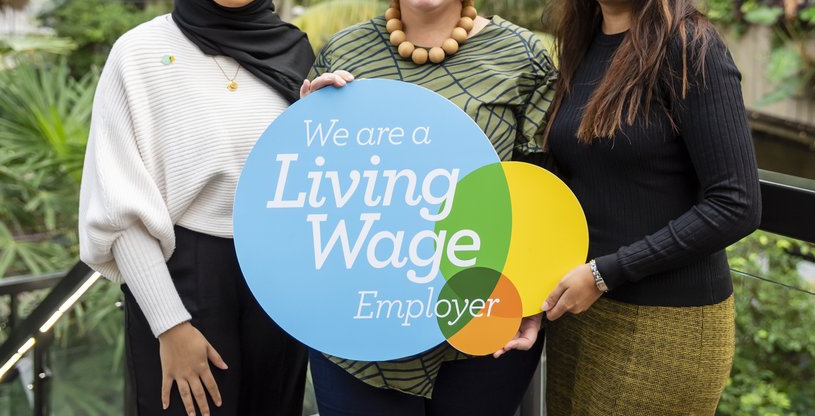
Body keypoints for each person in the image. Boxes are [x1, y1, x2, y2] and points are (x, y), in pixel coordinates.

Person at [301, 0, 555, 414]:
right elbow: (307, 187)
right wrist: (307, 124)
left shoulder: (523, 56)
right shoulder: (344, 51)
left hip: (480, 322)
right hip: (359, 326)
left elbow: (544, 189)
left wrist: (533, 298)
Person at [78, 1, 314, 415]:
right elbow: (118, 202)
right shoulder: (139, 52)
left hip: (284, 278)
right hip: (184, 275)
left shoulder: (297, 53)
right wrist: (169, 323)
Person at [540, 0, 761, 414]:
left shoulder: (691, 48)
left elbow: (737, 203)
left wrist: (606, 273)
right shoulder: (583, 42)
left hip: (665, 322)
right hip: (579, 308)